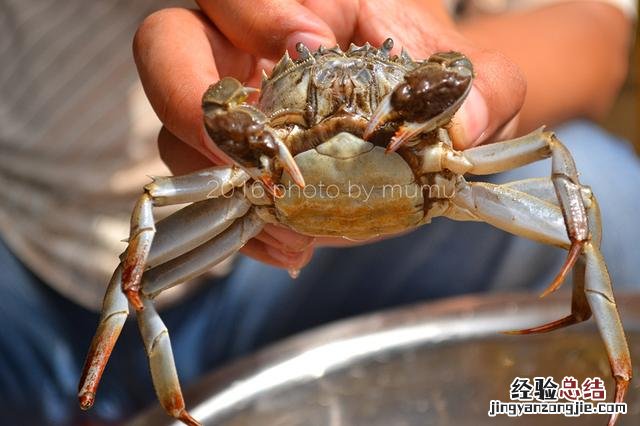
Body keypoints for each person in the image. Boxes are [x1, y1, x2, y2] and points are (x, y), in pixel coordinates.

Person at [0, 0, 638, 424]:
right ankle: (159, 401)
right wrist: (232, 121)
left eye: (373, 77)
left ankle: (589, 385)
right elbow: (153, 218)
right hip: (41, 237)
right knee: (136, 279)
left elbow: (598, 30)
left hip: (385, 222)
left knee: (604, 191)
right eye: (311, 75)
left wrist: (475, 97)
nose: (345, 95)